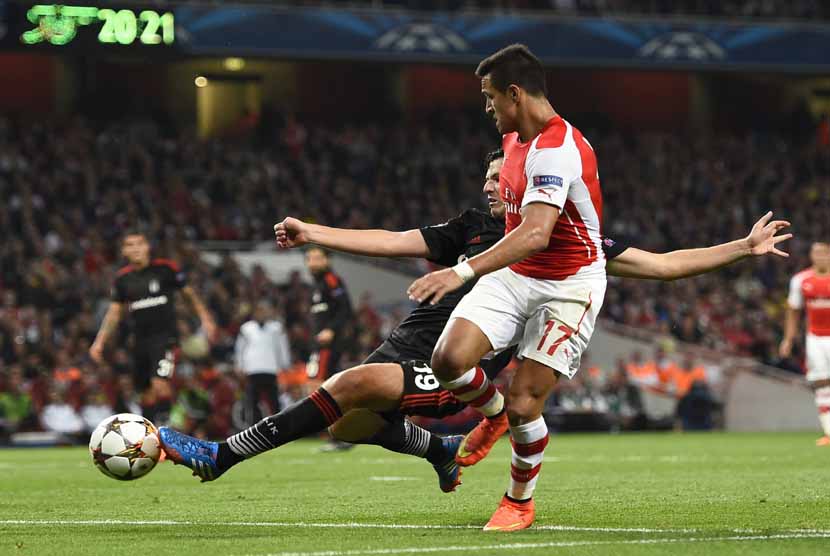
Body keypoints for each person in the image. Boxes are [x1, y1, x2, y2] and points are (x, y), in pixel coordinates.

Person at [156, 147, 791, 498]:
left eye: (501, 177)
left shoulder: (564, 237)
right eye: (488, 179)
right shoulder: (472, 226)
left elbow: (663, 264)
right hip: (408, 338)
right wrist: (313, 230)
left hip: (455, 363)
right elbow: (390, 239)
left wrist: (740, 246)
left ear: (525, 181)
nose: (494, 186)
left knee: (348, 386)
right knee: (350, 419)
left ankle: (219, 456)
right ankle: (439, 452)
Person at [89, 229, 217, 422]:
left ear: (147, 246)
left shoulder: (166, 269)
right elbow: (114, 313)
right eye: (130, 245)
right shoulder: (122, 279)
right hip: (139, 340)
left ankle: (166, 432)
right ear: (124, 251)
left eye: (139, 243)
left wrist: (206, 319)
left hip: (165, 338)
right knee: (146, 393)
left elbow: (189, 296)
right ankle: (149, 436)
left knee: (160, 384)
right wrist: (99, 341)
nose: (136, 249)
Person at [780, 241, 830, 446]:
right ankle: (829, 432)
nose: (819, 256)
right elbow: (793, 312)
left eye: (823, 252)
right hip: (815, 339)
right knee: (821, 383)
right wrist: (788, 339)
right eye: (815, 252)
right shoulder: (800, 280)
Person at [235, 301, 291, 425]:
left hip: (270, 367)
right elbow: (240, 348)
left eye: (264, 311)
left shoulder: (276, 328)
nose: (261, 313)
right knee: (252, 400)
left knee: (274, 400)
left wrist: (285, 364)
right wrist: (240, 365)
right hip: (253, 368)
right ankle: (252, 428)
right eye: (259, 311)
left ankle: (279, 427)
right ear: (254, 313)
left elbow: (282, 346)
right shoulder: (246, 328)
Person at [305, 247, 353, 381]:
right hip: (318, 343)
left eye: (317, 259)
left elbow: (345, 308)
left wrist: (331, 329)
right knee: (317, 381)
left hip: (329, 345)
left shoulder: (332, 280)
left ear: (327, 260)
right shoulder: (315, 285)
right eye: (309, 259)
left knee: (319, 383)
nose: (312, 263)